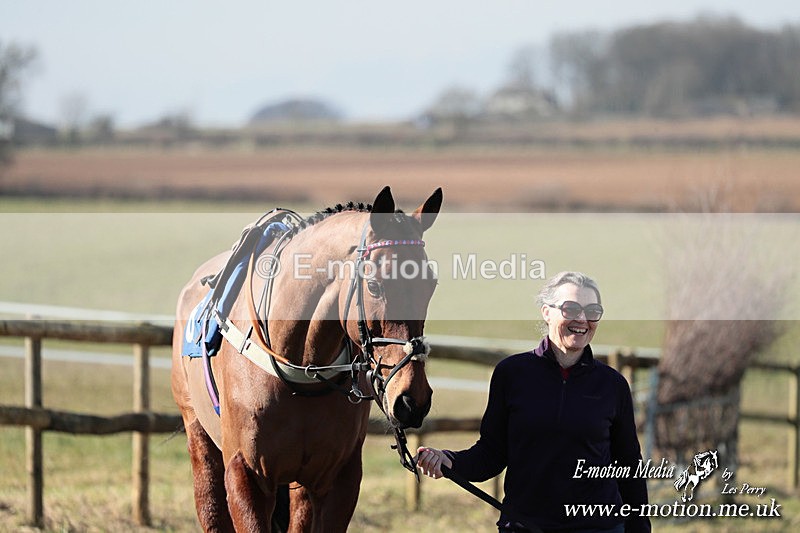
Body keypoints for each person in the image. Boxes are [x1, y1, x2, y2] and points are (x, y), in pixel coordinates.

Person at [416, 271, 651, 533]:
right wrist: (448, 461)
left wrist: (640, 528)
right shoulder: (512, 374)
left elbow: (629, 467)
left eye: (592, 310)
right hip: (525, 527)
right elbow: (491, 454)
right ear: (546, 312)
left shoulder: (613, 385)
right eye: (571, 308)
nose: (582, 319)